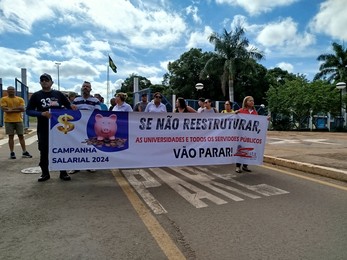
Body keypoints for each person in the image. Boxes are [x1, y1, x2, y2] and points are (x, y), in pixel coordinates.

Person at [26, 73, 73, 182]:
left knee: (61, 149)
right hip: (43, 128)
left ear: (51, 82)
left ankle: (63, 172)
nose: (44, 82)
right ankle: (45, 173)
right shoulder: (36, 95)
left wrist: (73, 107)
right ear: (40, 83)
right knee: (44, 150)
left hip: (59, 128)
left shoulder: (58, 94)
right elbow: (29, 110)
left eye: (47, 80)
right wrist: (41, 114)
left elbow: (68, 106)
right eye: (42, 80)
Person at [69, 81, 101, 174]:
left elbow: (98, 112)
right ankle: (75, 166)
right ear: (81, 88)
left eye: (87, 86)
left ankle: (90, 165)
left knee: (90, 145)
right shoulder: (76, 100)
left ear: (90, 89)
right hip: (78, 127)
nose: (85, 88)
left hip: (90, 126)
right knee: (76, 145)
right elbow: (73, 112)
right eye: (84, 86)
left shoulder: (95, 100)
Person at [0, 86, 32, 159]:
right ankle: (12, 152)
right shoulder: (4, 99)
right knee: (11, 136)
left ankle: (24, 151)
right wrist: (17, 109)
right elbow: (5, 110)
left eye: (12, 90)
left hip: (18, 120)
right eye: (9, 90)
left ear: (15, 91)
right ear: (7, 91)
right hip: (8, 121)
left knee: (21, 136)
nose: (11, 91)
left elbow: (22, 109)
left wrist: (11, 109)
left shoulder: (20, 99)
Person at [234, 96, 258, 173]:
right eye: (250, 101)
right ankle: (238, 166)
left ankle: (245, 165)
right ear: (246, 102)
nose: (252, 102)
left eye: (253, 101)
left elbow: (258, 122)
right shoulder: (241, 111)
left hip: (250, 135)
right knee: (241, 150)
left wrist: (266, 119)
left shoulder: (255, 112)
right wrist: (235, 113)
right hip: (242, 135)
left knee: (248, 150)